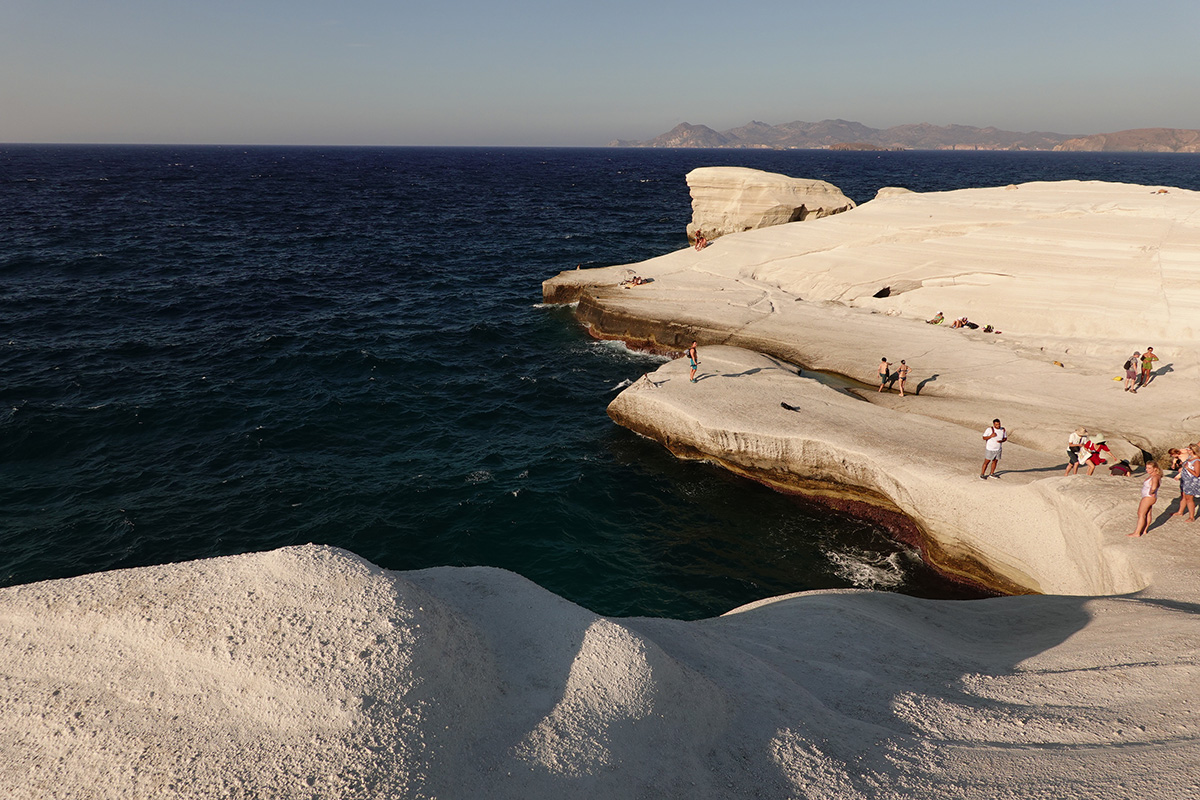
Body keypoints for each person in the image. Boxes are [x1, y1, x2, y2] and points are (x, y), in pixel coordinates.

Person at [1130, 461, 1163, 537]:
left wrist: (1152, 491)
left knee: (1141, 514)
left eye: (1149, 468)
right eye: (1146, 468)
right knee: (1148, 513)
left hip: (1148, 497)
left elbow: (1154, 486)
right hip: (1150, 497)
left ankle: (1137, 532)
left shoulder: (1155, 477)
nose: (1147, 469)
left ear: (1155, 468)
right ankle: (1144, 530)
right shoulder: (1155, 476)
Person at [1172, 446, 1199, 522]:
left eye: (1189, 449)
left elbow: (1197, 474)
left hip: (1191, 482)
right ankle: (1180, 512)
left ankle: (1191, 517)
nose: (1187, 450)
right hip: (1185, 480)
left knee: (1189, 499)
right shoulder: (1189, 457)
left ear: (1193, 450)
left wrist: (1187, 468)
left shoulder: (1196, 461)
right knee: (1183, 496)